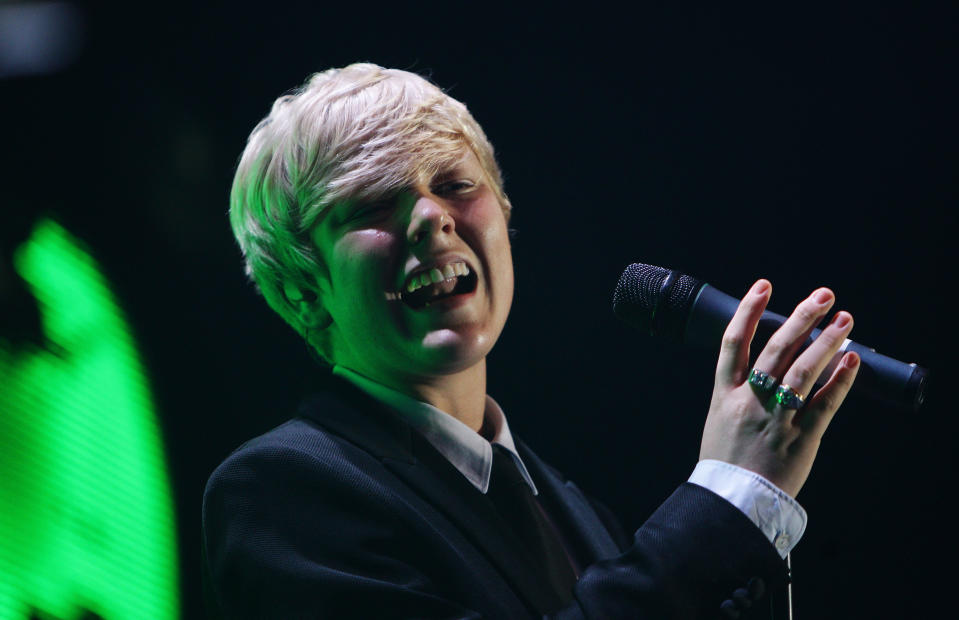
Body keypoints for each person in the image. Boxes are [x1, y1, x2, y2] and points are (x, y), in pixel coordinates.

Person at [202, 63, 860, 618]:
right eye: (373, 202)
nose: (432, 216)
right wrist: (726, 494)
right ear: (301, 289)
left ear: (504, 221)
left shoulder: (577, 511)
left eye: (456, 185)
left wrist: (749, 522)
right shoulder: (280, 492)